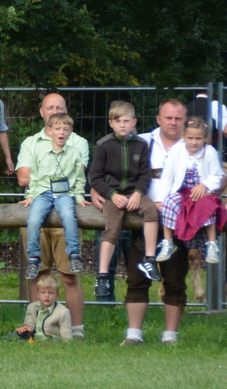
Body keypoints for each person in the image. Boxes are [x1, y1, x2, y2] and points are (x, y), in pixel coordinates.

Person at [13, 92, 87, 334]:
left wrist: (45, 178)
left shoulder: (78, 142)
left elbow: (75, 174)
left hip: (66, 212)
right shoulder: (30, 143)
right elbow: (23, 178)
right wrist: (47, 184)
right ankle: (37, 329)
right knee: (38, 274)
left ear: (66, 112)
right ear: (42, 112)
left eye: (59, 108)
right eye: (50, 108)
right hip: (38, 204)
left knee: (69, 276)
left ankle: (76, 330)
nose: (55, 111)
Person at [86, 101, 154, 301]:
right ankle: (102, 275)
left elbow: (145, 173)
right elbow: (95, 177)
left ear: (134, 122)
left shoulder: (141, 145)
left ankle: (150, 259)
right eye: (118, 121)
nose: (122, 125)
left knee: (151, 210)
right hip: (112, 195)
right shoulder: (104, 145)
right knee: (112, 227)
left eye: (126, 121)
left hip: (134, 193)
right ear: (111, 123)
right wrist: (112, 195)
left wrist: (138, 192)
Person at [17, 113, 89, 281]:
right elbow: (34, 176)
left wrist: (79, 196)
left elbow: (79, 177)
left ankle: (73, 253)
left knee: (68, 215)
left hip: (64, 193)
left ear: (71, 132)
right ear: (49, 131)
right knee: (34, 219)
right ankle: (34, 257)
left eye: (65, 129)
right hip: (43, 192)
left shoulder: (75, 153)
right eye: (57, 128)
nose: (61, 132)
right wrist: (31, 195)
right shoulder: (41, 152)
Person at [151, 116, 222, 266]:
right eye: (190, 138)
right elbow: (168, 176)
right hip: (182, 192)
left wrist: (205, 185)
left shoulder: (210, 152)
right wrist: (160, 199)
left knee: (207, 206)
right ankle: (168, 242)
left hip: (202, 193)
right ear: (183, 136)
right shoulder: (177, 150)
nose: (194, 142)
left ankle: (211, 244)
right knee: (169, 203)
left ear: (205, 138)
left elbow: (217, 175)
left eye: (198, 138)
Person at [135, 98, 188, 279]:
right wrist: (96, 189)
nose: (173, 122)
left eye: (178, 118)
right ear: (158, 119)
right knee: (136, 281)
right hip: (141, 218)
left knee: (175, 282)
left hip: (177, 220)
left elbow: (214, 176)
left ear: (185, 120)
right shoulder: (142, 141)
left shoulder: (194, 144)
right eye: (168, 118)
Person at [14, 273, 73, 342]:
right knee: (13, 337)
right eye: (43, 292)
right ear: (38, 294)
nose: (47, 295)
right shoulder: (32, 307)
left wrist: (66, 343)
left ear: (57, 295)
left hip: (53, 341)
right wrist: (26, 327)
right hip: (33, 338)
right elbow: (30, 323)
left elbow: (66, 335)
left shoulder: (63, 312)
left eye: (50, 293)